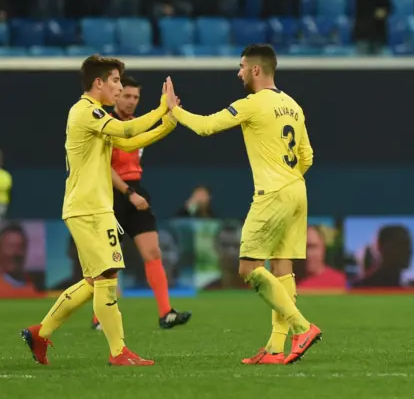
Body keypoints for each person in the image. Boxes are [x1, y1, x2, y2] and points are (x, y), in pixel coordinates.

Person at [163, 44, 322, 366]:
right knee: (282, 268)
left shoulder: (253, 104)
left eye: (241, 67)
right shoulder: (293, 105)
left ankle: (302, 328)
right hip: (297, 190)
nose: (238, 73)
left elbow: (206, 126)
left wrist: (173, 109)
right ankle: (276, 349)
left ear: (256, 70)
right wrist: (288, 178)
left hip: (273, 193)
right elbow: (307, 156)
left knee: (249, 269)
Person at [21, 55, 177, 366]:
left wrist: (169, 123)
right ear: (98, 83)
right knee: (107, 276)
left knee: (97, 278)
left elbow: (130, 144)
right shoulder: (86, 111)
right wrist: (162, 108)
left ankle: (40, 332)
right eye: (116, 81)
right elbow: (130, 131)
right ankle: (119, 352)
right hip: (89, 208)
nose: (120, 88)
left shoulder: (95, 115)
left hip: (92, 206)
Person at [90, 75, 191, 331]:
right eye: (127, 96)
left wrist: (169, 117)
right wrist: (128, 193)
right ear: (116, 95)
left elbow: (147, 140)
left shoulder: (136, 125)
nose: (132, 101)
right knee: (108, 261)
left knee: (153, 252)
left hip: (136, 190)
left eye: (136, 97)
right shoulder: (104, 123)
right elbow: (104, 166)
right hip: (113, 195)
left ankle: (166, 313)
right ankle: (99, 316)